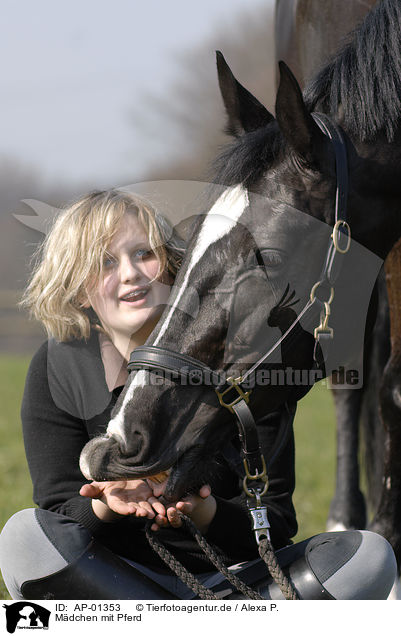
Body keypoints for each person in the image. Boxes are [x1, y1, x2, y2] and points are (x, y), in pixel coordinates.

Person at [0, 189, 397, 600]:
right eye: (105, 263)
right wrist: (108, 502)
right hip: (112, 583)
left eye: (144, 254)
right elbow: (58, 513)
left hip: (232, 584)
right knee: (21, 538)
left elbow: (275, 522)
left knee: (369, 556)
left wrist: (205, 513)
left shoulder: (245, 358)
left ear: (175, 267)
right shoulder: (56, 367)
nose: (132, 273)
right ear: (79, 291)